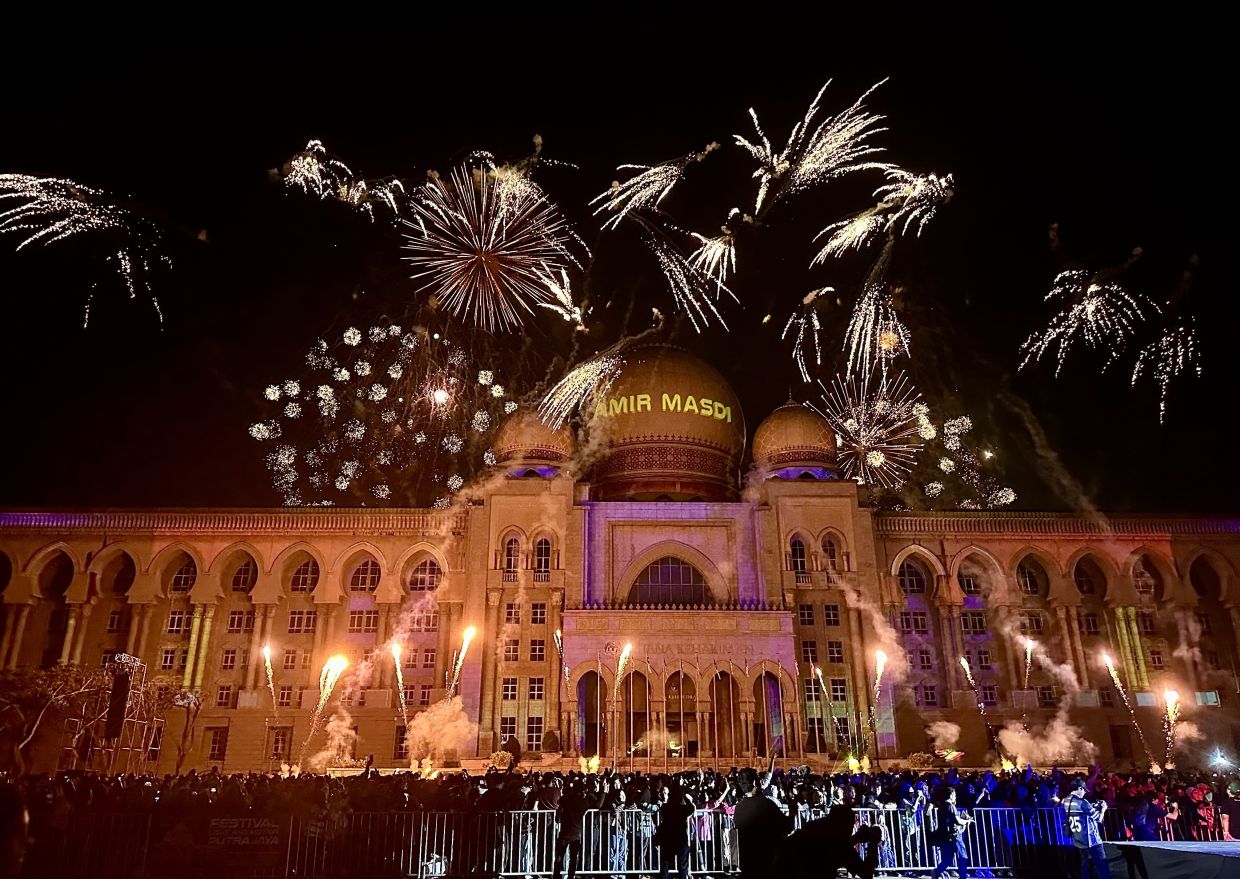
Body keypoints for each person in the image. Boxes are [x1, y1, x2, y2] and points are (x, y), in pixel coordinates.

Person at [733, 759, 789, 879]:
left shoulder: (739, 807)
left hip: (747, 859)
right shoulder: (766, 804)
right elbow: (786, 827)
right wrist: (793, 812)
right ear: (755, 782)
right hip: (766, 858)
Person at [1063, 777, 1110, 879]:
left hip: (1078, 840)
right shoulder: (1082, 802)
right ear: (1079, 789)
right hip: (1091, 840)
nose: (1084, 793)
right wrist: (1103, 809)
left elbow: (1080, 810)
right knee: (1102, 865)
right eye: (1083, 790)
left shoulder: (1066, 801)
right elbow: (1098, 818)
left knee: (1085, 866)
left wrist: (1091, 806)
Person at [655, 781, 695, 879]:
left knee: (665, 864)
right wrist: (686, 797)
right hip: (680, 838)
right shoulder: (683, 809)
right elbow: (692, 808)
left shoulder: (666, 807)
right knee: (683, 866)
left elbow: (663, 812)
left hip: (668, 838)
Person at [930, 786, 973, 879]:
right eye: (955, 794)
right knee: (962, 857)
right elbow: (958, 821)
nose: (955, 796)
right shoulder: (951, 806)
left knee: (947, 860)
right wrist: (967, 821)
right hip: (954, 836)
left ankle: (936, 872)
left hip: (945, 837)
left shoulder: (942, 806)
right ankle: (962, 877)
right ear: (951, 795)